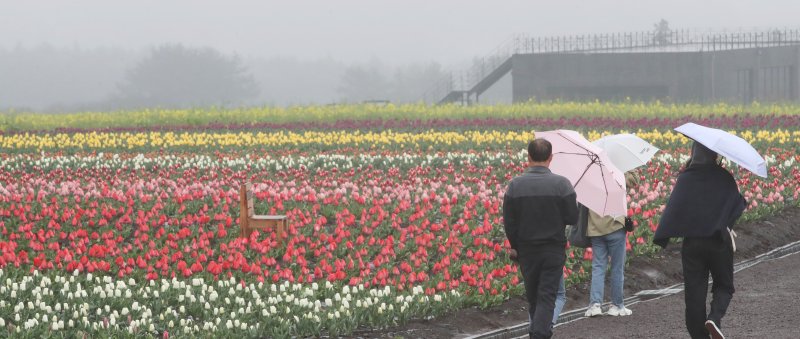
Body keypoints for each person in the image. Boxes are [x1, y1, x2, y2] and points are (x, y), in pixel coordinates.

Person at [653, 141, 746, 339]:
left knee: (694, 293)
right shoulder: (724, 177)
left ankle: (699, 336)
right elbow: (737, 205)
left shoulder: (686, 178)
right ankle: (714, 317)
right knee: (724, 285)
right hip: (718, 241)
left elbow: (674, 208)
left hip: (692, 244)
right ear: (714, 155)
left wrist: (664, 236)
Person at [504, 138, 579, 339]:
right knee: (547, 296)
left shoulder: (515, 186)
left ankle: (537, 333)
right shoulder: (562, 184)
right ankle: (539, 334)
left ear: (528, 157)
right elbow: (573, 218)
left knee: (534, 297)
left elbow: (509, 222)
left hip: (526, 251)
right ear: (550, 158)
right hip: (553, 249)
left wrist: (514, 245)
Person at [584, 172, 639, 317]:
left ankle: (595, 305)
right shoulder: (617, 170)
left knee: (598, 266)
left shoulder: (590, 171)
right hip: (615, 226)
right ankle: (616, 305)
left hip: (595, 227)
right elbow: (634, 180)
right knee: (616, 267)